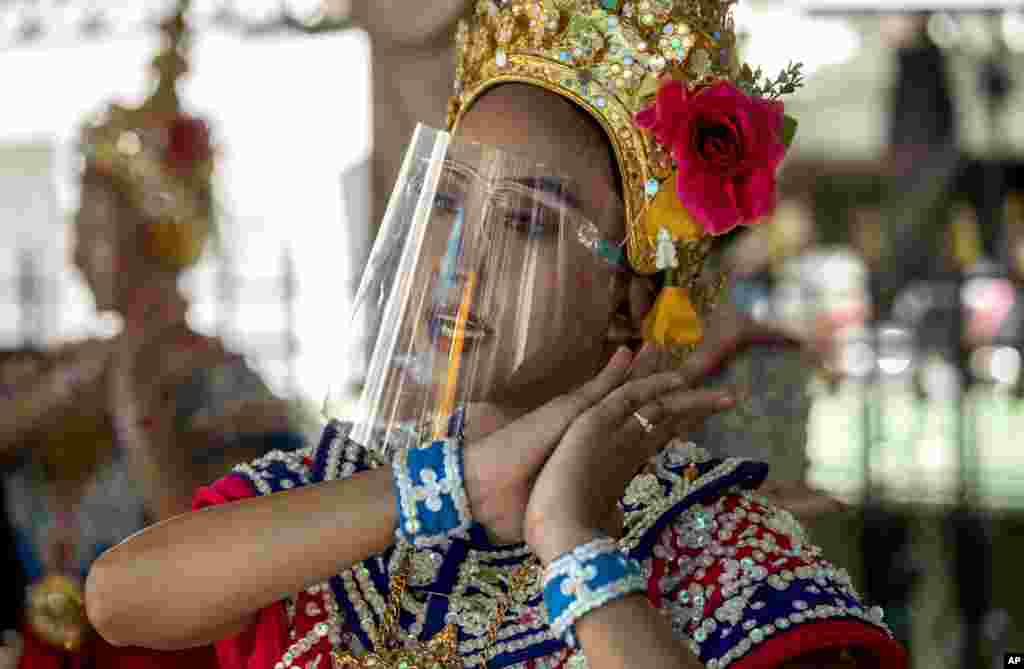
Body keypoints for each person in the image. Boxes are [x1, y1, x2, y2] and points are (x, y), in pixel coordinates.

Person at [85, 2, 907, 668]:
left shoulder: (724, 552)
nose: (459, 259)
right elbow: (120, 600)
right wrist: (458, 483)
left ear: (630, 294)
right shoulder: (349, 490)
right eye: (445, 204)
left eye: (524, 223)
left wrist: (576, 544)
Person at [0, 2, 306, 666]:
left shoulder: (225, 384)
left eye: (93, 227)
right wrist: (75, 387)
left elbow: (225, 567)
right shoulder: (52, 371)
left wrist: (139, 418)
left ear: (148, 237)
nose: (77, 251)